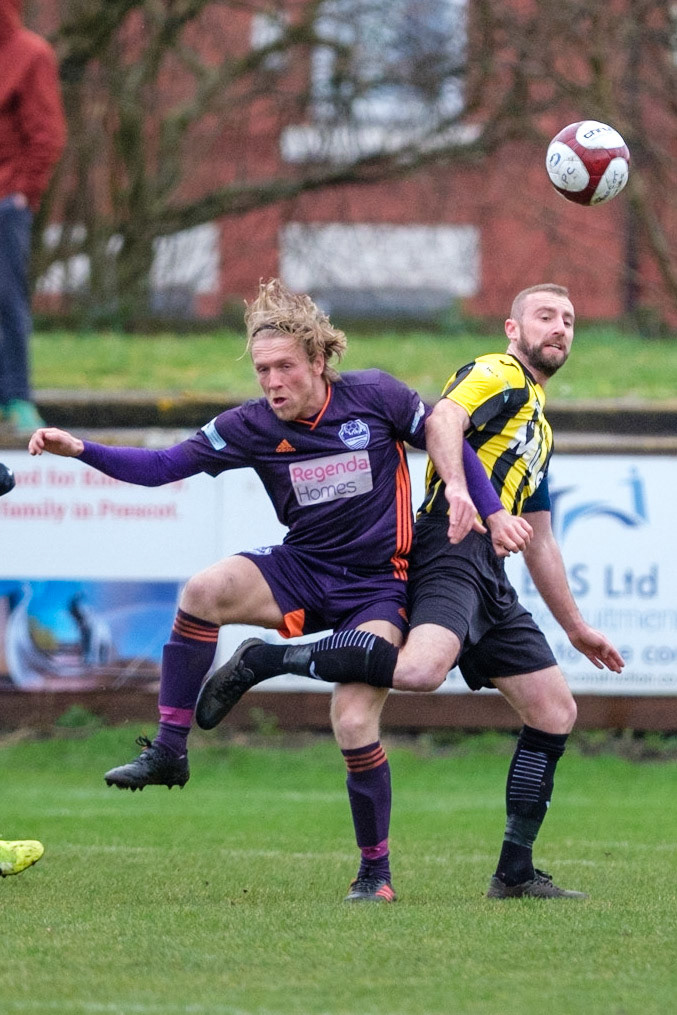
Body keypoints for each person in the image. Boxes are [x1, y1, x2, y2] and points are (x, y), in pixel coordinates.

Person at [28, 278, 529, 903]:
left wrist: (487, 507)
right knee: (204, 590)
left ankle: (375, 875)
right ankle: (169, 750)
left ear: (319, 361)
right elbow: (161, 468)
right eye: (263, 369)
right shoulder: (251, 425)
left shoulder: (377, 396)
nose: (272, 382)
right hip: (302, 567)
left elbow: (446, 440)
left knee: (350, 719)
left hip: (378, 586)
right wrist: (80, 450)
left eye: (285, 367)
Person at [199, 283, 625, 901]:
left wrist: (577, 627)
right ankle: (267, 659)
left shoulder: (537, 423)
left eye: (568, 318)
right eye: (544, 316)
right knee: (422, 670)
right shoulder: (496, 371)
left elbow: (540, 538)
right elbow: (445, 418)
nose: (558, 327)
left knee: (555, 710)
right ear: (512, 328)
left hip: (489, 569)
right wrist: (457, 488)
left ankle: (514, 874)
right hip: (450, 543)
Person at [0, 0, 66, 435]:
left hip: (5, 200)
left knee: (7, 300)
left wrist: (23, 191)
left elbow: (46, 134)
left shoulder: (29, 54)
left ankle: (17, 397)